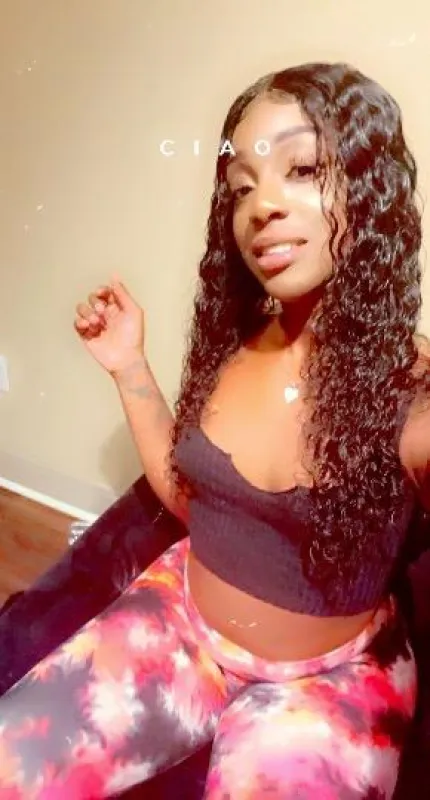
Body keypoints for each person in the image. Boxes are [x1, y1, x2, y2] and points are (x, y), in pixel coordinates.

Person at [1, 61, 430, 799]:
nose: (262, 205)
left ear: (371, 186)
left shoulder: (412, 394)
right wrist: (129, 367)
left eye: (302, 169)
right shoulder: (239, 338)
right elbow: (190, 501)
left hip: (326, 684)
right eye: (241, 188)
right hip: (182, 620)